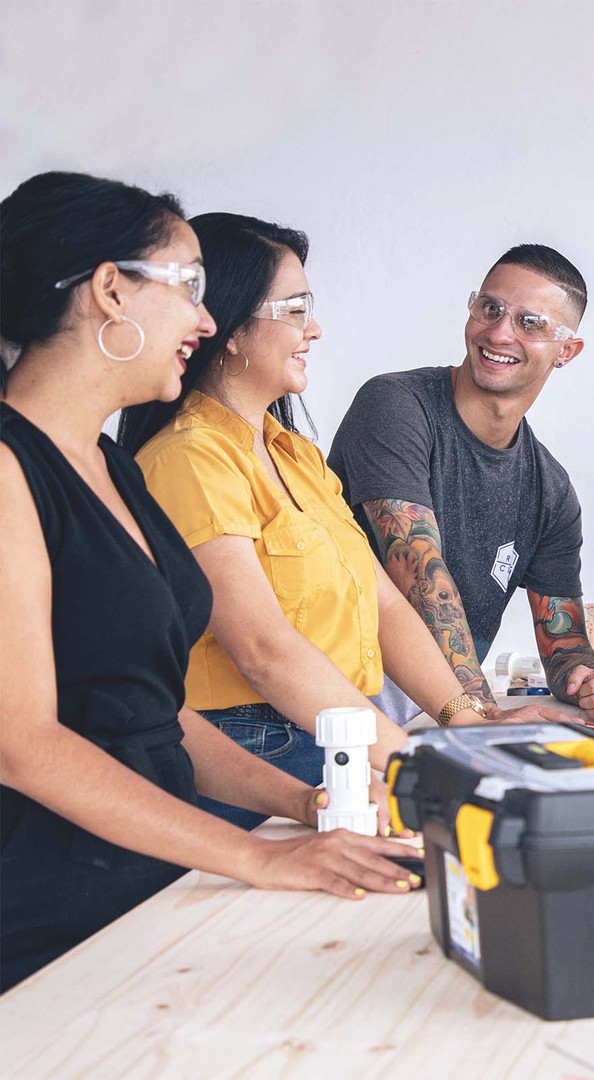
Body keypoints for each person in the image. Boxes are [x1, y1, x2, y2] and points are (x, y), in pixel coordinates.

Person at [0, 173, 418, 990]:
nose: (204, 315)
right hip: (51, 922)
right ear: (109, 291)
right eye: (189, 287)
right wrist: (258, 858)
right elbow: (24, 745)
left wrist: (305, 807)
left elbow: (152, 715)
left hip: (148, 887)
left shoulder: (112, 467)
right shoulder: (10, 467)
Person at [120, 215, 559, 831]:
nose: (314, 330)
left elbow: (386, 604)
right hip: (252, 762)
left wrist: (466, 723)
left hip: (333, 744)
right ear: (233, 327)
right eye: (296, 310)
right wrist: (414, 764)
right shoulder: (189, 458)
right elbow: (264, 651)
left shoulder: (292, 453)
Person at [328, 245, 594, 727]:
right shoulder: (396, 407)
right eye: (490, 308)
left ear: (566, 351)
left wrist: (592, 679)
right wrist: (481, 715)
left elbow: (564, 642)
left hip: (426, 719)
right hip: (323, 704)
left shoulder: (550, 491)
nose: (499, 332)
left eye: (530, 323)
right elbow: (421, 576)